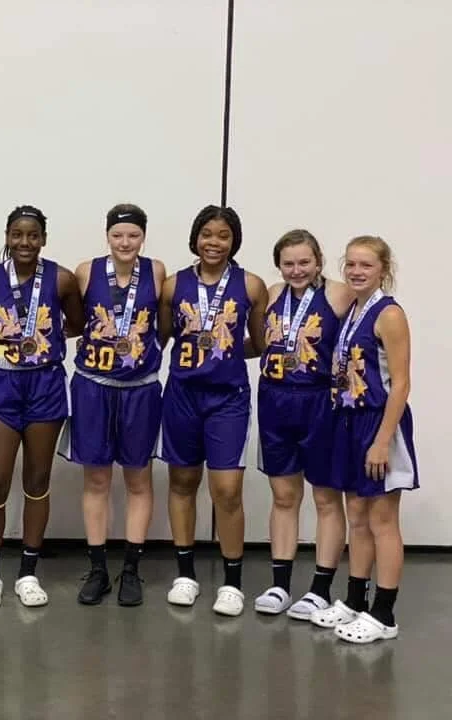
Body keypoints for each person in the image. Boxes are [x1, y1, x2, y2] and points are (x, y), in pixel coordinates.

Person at [158, 204, 268, 616]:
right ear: (195, 237)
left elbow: (260, 343)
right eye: (207, 234)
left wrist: (223, 351)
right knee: (182, 482)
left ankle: (232, 582)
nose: (214, 242)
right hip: (182, 394)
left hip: (227, 398)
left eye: (223, 235)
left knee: (227, 490)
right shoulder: (173, 285)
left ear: (234, 240)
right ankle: (185, 575)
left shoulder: (251, 285)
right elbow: (161, 339)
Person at [0, 205, 84, 608]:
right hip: (2, 384)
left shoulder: (63, 278)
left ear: (44, 239)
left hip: (45, 383)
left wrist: (40, 343)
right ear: (7, 236)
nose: (25, 242)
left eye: (33, 235)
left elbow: (77, 324)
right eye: (17, 234)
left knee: (37, 481)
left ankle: (27, 574)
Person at [309, 236, 417, 643]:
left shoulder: (389, 314)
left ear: (383, 270)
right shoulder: (353, 309)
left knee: (382, 519)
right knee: (356, 515)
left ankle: (384, 613)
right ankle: (356, 599)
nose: (356, 271)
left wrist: (383, 440)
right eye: (351, 264)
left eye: (366, 265)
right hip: (348, 420)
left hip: (378, 421)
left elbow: (401, 383)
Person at [58, 204, 166, 606]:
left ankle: (132, 569)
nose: (125, 242)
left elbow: (165, 327)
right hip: (94, 386)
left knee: (139, 479)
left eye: (133, 235)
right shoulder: (85, 272)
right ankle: (98, 568)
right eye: (118, 235)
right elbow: (72, 322)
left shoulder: (156, 271)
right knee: (97, 480)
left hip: (140, 388)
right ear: (107, 236)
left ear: (143, 237)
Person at [252, 230, 353, 618]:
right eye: (288, 263)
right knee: (283, 495)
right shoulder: (274, 293)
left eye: (304, 262)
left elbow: (364, 334)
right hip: (275, 398)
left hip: (319, 400)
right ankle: (279, 585)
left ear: (319, 261)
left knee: (326, 497)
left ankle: (320, 588)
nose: (296, 270)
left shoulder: (339, 294)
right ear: (279, 265)